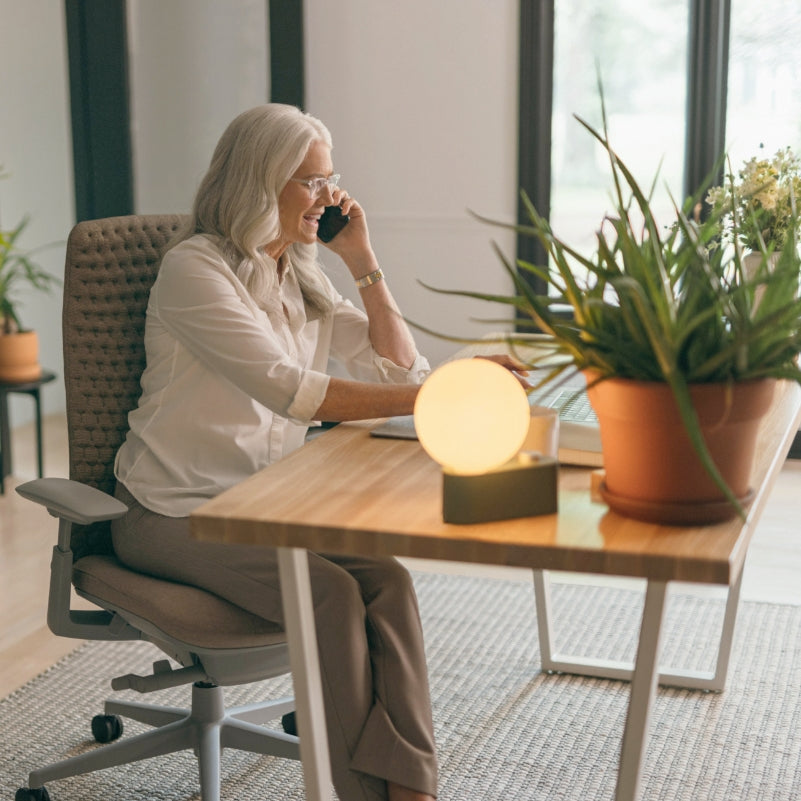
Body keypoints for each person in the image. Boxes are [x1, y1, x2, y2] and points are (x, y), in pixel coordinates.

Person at [111, 104, 522, 800]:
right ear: (256, 182)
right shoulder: (197, 269)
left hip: (261, 507)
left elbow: (397, 368)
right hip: (170, 513)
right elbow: (291, 391)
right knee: (328, 591)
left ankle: (413, 787)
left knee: (386, 578)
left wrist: (362, 260)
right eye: (309, 180)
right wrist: (437, 394)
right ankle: (359, 793)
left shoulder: (297, 273)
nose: (329, 195)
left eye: (331, 178)